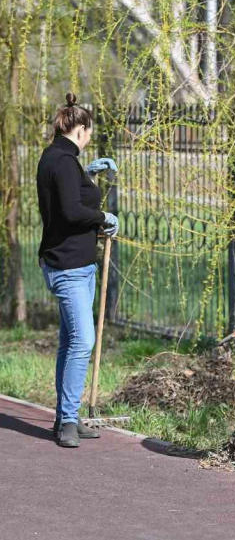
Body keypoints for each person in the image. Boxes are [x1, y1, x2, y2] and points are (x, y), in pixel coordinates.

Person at [37, 93, 119, 448]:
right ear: (82, 129)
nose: (89, 140)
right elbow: (70, 210)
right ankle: (69, 420)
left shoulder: (60, 159)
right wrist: (104, 217)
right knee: (83, 341)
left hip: (78, 263)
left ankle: (65, 416)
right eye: (89, 133)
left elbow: (68, 195)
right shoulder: (62, 161)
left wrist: (86, 174)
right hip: (67, 265)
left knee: (70, 341)